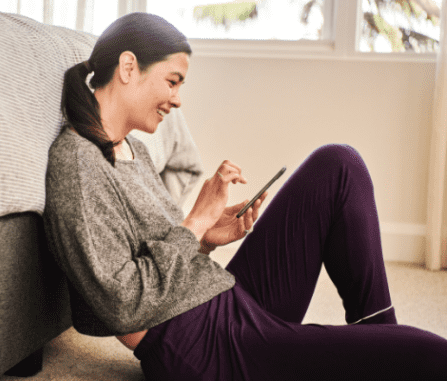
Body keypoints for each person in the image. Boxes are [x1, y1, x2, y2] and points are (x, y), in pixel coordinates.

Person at [43, 12, 447, 381]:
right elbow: (122, 304)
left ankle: (377, 336)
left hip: (227, 300)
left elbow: (160, 263)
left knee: (338, 164)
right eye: (172, 81)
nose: (178, 99)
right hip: (204, 348)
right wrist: (195, 221)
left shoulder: (134, 150)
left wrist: (203, 239)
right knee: (430, 355)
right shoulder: (77, 164)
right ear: (128, 67)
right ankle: (382, 348)